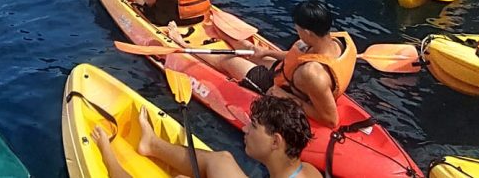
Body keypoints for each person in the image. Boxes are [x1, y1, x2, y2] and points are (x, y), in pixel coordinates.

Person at [169, 0, 350, 128]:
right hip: (285, 72)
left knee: (228, 60)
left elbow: (331, 120)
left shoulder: (313, 74)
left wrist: (284, 97)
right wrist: (267, 52)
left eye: (298, 30)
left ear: (309, 32)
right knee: (249, 48)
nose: (297, 33)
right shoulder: (335, 41)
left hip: (275, 86)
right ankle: (216, 29)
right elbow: (297, 56)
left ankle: (183, 44)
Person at [90, 95, 319, 178]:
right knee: (222, 160)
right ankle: (151, 144)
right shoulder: (309, 171)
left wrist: (106, 150)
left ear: (276, 141)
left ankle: (112, 159)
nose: (245, 129)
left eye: (254, 126)